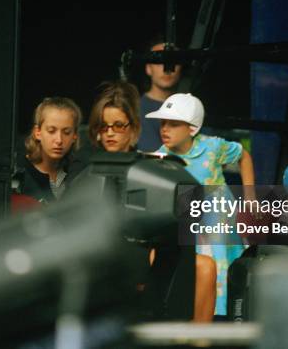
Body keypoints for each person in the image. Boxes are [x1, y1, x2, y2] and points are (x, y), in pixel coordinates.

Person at [87, 81, 217, 323]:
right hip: (110, 254)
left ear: (133, 130)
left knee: (204, 267)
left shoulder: (154, 169)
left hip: (152, 247)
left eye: (118, 126)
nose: (110, 133)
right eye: (104, 127)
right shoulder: (87, 171)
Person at [146, 92, 255, 317]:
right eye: (163, 123)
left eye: (173, 124)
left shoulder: (213, 147)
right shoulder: (159, 159)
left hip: (219, 225)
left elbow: (243, 155)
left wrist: (250, 196)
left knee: (227, 273)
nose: (165, 129)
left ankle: (228, 319)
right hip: (190, 228)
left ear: (192, 128)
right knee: (196, 276)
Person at [11, 97, 83, 211]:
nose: (59, 140)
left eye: (66, 132)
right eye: (51, 131)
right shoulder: (17, 172)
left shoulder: (79, 174)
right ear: (37, 132)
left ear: (75, 136)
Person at [138, 37, 182, 152]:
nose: (166, 69)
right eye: (159, 62)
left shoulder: (190, 108)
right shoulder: (134, 109)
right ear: (148, 68)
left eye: (173, 61)